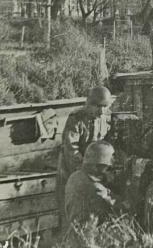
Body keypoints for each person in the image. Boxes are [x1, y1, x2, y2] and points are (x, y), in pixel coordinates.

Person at [56, 85, 112, 226]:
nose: (102, 111)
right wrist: (85, 170)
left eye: (105, 107)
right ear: (89, 104)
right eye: (98, 107)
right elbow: (71, 148)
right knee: (71, 210)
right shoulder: (76, 119)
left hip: (93, 169)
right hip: (72, 170)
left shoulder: (105, 118)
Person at [65, 140, 122, 226]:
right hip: (88, 232)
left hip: (74, 226)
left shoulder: (75, 176)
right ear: (95, 167)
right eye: (108, 168)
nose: (110, 171)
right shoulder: (96, 188)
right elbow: (117, 209)